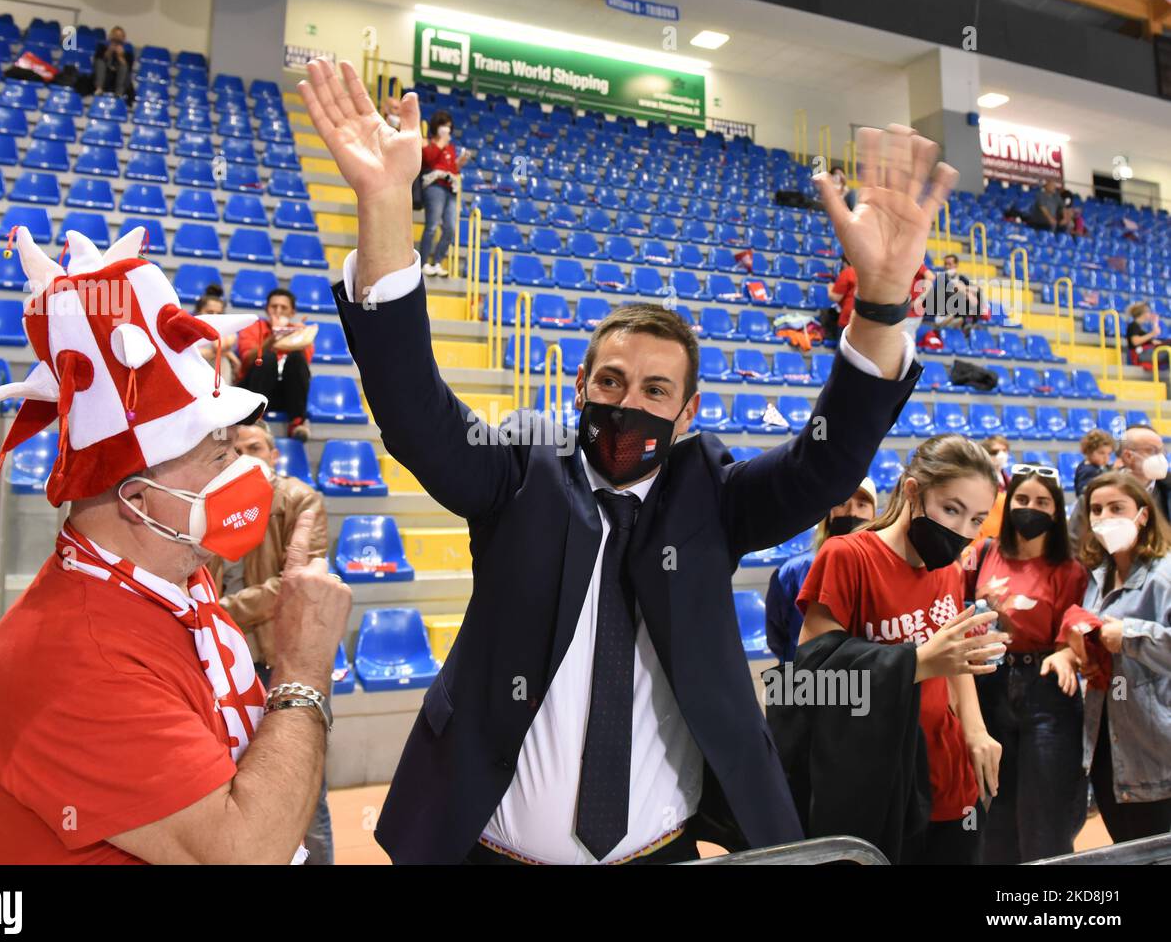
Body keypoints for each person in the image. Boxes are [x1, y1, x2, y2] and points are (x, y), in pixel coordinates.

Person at [300, 57, 957, 864]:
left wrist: (883, 300)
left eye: (655, 389)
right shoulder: (516, 471)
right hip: (488, 850)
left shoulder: (714, 497)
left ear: (687, 412)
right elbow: (412, 413)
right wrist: (383, 206)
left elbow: (827, 464)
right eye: (611, 380)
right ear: (579, 385)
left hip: (661, 850)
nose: (629, 402)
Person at [0, 227, 350, 863]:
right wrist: (303, 669)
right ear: (136, 501)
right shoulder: (76, 660)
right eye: (218, 456)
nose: (242, 474)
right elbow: (245, 851)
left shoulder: (174, 580)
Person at [795, 435, 1006, 864]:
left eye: (976, 519)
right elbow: (809, 682)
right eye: (951, 509)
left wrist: (975, 727)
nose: (962, 531)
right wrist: (917, 662)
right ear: (913, 491)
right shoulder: (847, 556)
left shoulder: (947, 567)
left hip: (948, 768)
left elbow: (954, 656)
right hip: (878, 776)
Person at [210, 421, 334, 864]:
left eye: (257, 447)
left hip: (281, 663)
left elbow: (297, 588)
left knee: (303, 795)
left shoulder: (300, 500)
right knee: (235, 788)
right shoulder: (217, 505)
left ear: (275, 453)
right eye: (236, 451)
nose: (248, 457)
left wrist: (219, 610)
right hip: (222, 663)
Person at [963, 464, 1089, 862]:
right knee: (994, 808)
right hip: (990, 683)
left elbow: (1077, 632)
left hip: (1045, 689)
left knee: (1044, 814)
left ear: (1056, 510)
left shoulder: (1071, 571)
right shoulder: (984, 553)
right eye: (1022, 499)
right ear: (1008, 502)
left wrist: (1068, 652)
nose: (1030, 508)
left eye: (1042, 502)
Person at [1064, 471, 1171, 843]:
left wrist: (1129, 636)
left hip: (1157, 748)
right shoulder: (1098, 577)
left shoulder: (1164, 576)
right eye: (1096, 509)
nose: (1105, 517)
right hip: (1109, 741)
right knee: (1127, 847)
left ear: (1142, 515)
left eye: (1116, 508)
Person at [765, 478, 877, 663]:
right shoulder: (792, 572)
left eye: (862, 504)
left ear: (874, 514)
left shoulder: (882, 571)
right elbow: (777, 636)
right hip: (807, 681)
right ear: (828, 513)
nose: (852, 512)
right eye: (842, 503)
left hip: (866, 681)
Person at [236, 287, 314, 442]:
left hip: (284, 392)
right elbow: (247, 360)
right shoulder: (253, 328)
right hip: (254, 387)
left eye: (283, 307)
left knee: (297, 357)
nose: (278, 311)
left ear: (292, 312)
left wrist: (300, 337)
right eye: (274, 306)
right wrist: (273, 337)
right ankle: (255, 419)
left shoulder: (299, 330)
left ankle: (298, 422)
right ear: (267, 309)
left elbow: (304, 364)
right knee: (267, 357)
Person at [419, 109, 469, 278]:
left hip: (450, 188)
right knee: (432, 226)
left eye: (449, 126)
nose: (447, 129)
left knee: (450, 228)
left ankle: (437, 262)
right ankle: (423, 262)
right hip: (434, 187)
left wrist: (460, 162)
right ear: (436, 127)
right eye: (443, 126)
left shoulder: (450, 147)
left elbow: (452, 169)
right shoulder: (428, 142)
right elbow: (428, 159)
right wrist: (440, 142)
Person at [195, 284, 240, 386]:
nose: (214, 317)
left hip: (218, 369)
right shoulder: (189, 329)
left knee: (221, 360)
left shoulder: (230, 331)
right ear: (198, 312)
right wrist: (228, 354)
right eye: (210, 312)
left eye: (219, 313)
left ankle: (221, 396)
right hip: (193, 371)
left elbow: (218, 346)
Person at [92, 26, 133, 99]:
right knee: (100, 62)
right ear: (111, 36)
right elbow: (97, 60)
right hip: (105, 75)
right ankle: (99, 89)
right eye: (115, 35)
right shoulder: (102, 46)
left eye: (120, 36)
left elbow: (129, 69)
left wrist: (120, 56)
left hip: (119, 77)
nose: (117, 39)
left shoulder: (128, 52)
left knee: (124, 67)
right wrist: (109, 51)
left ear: (123, 38)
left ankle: (119, 93)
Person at [1125, 302, 1168, 371]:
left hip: (1147, 352)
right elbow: (1135, 341)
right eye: (1148, 312)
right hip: (1140, 355)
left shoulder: (1140, 328)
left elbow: (1155, 337)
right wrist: (1152, 334)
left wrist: (1155, 323)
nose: (1150, 314)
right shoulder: (1134, 325)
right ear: (1143, 314)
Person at [1074, 428, 1116, 497]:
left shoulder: (1097, 466)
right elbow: (1085, 493)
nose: (1106, 458)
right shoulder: (1087, 471)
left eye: (1109, 454)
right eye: (1101, 453)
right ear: (1089, 451)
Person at [827, 256, 857, 329]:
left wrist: (829, 288)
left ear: (845, 262)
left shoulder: (847, 272)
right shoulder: (867, 273)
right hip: (862, 317)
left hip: (848, 317)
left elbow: (835, 297)